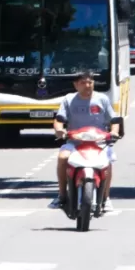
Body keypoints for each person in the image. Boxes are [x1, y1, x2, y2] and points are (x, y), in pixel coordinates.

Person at [49, 71, 121, 213]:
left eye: (90, 82)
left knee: (107, 162)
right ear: (75, 85)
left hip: (99, 142)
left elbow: (114, 120)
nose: (87, 85)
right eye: (83, 83)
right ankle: (62, 195)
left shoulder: (102, 99)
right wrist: (59, 130)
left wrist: (114, 132)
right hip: (75, 142)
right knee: (62, 157)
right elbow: (59, 120)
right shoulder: (68, 100)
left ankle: (106, 199)